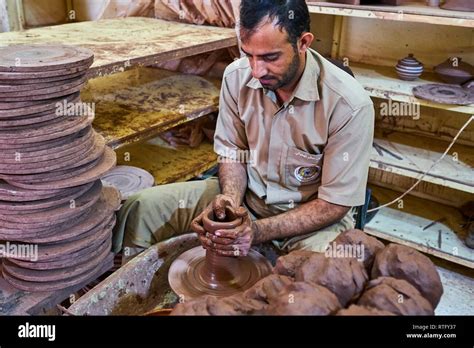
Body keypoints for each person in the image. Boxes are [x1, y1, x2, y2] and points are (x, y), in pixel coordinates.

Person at [112, 0, 374, 260]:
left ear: (303, 43)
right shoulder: (236, 77)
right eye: (249, 55)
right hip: (247, 199)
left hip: (311, 223)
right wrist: (229, 203)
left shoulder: (350, 105)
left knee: (325, 277)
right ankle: (135, 292)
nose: (257, 71)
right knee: (140, 209)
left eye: (270, 57)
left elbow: (333, 205)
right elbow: (233, 154)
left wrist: (256, 230)